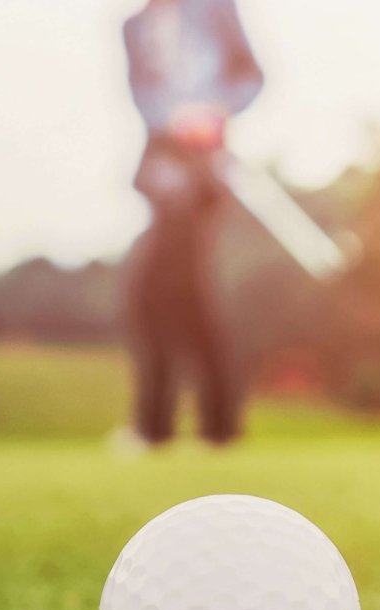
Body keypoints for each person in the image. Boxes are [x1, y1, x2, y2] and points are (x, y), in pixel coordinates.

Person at [121, 0, 264, 448]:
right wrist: (170, 122)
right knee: (172, 298)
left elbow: (250, 77)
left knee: (159, 295)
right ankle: (210, 426)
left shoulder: (216, 8)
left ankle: (168, 427)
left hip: (205, 171)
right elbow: (143, 97)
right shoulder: (134, 26)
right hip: (164, 168)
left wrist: (214, 112)